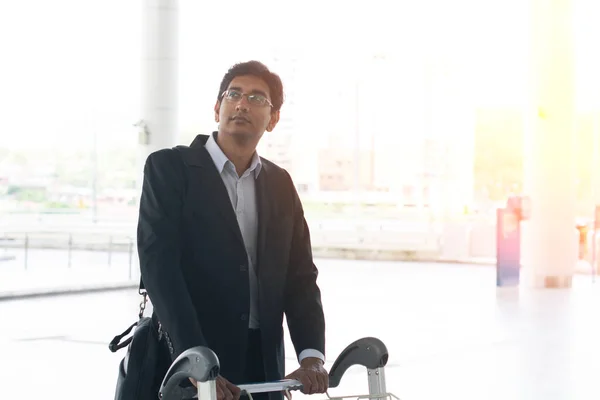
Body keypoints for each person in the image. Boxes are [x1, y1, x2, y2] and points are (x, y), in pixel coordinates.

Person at [137, 60, 328, 400]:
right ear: (217, 108)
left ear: (273, 119)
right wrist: (193, 357)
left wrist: (311, 356)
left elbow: (299, 275)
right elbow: (159, 268)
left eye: (257, 98)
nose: (242, 103)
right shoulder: (170, 169)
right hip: (189, 360)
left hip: (264, 364)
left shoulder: (280, 183)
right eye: (234, 94)